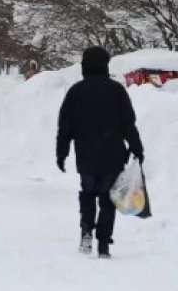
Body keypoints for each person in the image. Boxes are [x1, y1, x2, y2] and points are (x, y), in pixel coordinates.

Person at [55, 46, 144, 259]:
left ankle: (86, 231)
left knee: (87, 193)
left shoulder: (76, 92)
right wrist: (136, 147)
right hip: (112, 155)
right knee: (107, 199)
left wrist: (62, 152)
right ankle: (103, 243)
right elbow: (128, 124)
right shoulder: (117, 91)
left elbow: (65, 126)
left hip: (86, 155)